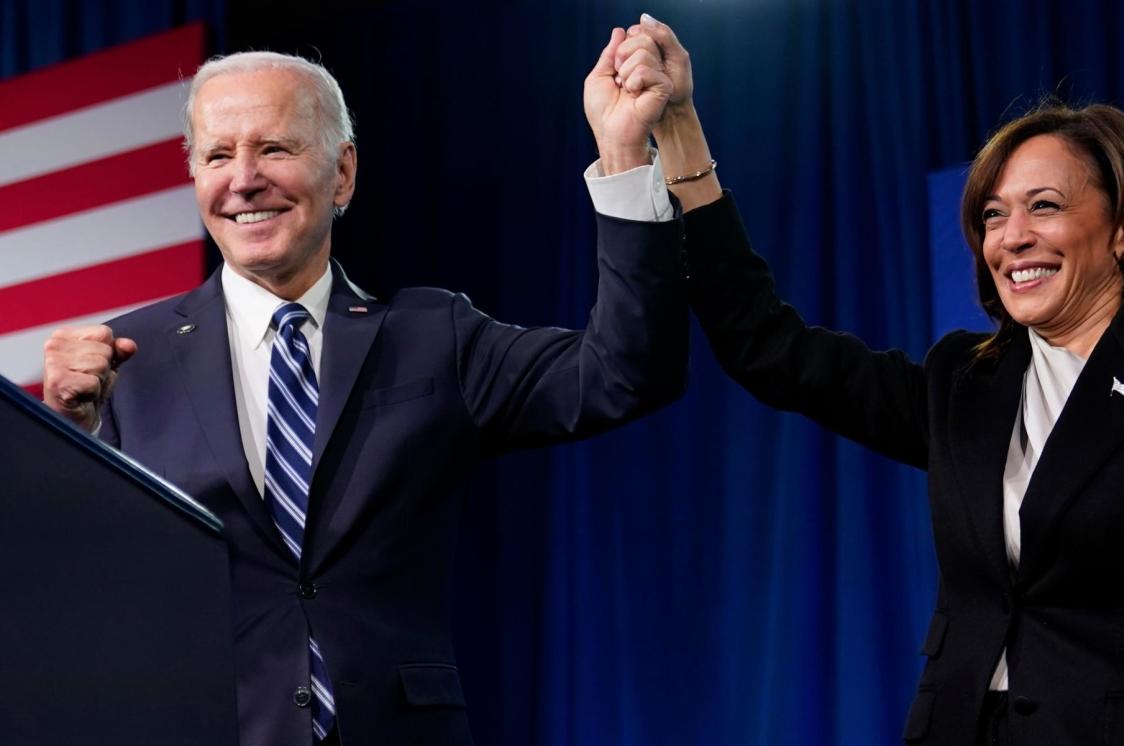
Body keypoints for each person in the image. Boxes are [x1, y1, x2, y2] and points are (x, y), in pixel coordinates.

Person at [41, 27, 687, 746]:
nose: (243, 179)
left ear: (342, 173)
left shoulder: (432, 335)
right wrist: (69, 432)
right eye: (218, 155)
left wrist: (625, 156)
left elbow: (624, 374)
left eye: (275, 148)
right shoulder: (128, 358)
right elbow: (62, 588)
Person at [621, 18, 1124, 745]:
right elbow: (769, 347)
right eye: (992, 215)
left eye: (1044, 205)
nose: (1011, 237)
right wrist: (682, 132)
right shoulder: (965, 380)